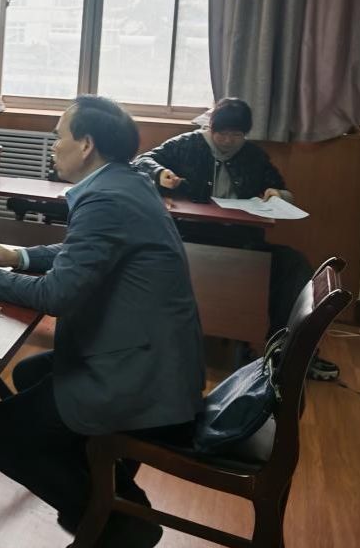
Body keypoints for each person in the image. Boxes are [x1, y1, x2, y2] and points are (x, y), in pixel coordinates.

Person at [0, 96, 203, 548]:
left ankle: (119, 523)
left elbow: (58, 294)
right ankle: (109, 493)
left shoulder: (105, 198)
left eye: (59, 136)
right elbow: (82, 252)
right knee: (33, 373)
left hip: (140, 374)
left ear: (86, 144)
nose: (53, 146)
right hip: (159, 357)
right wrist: (17, 256)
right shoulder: (127, 182)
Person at [133, 97, 337, 380]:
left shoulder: (253, 155)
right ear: (211, 127)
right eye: (222, 133)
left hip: (242, 241)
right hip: (190, 237)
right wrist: (160, 174)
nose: (228, 141)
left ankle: (286, 350)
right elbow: (140, 162)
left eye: (236, 135)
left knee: (292, 264)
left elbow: (279, 189)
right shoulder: (186, 145)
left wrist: (276, 194)